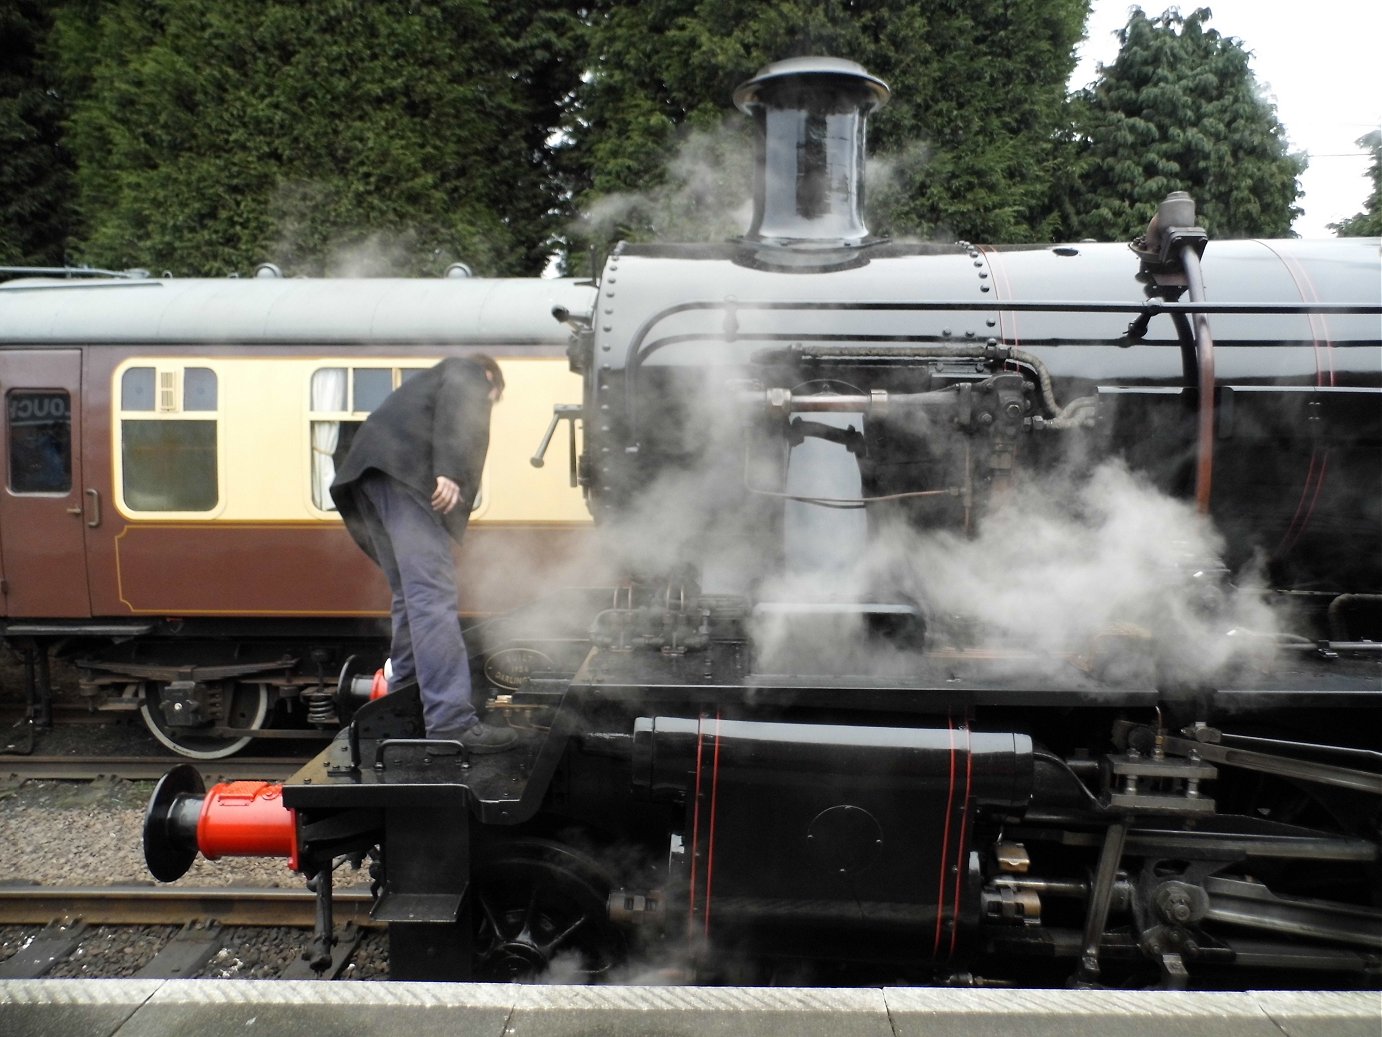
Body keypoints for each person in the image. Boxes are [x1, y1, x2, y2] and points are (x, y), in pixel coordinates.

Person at [330, 355, 517, 752]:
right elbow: (462, 402)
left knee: (411, 597)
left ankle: (403, 707)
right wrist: (450, 470)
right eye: (493, 398)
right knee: (432, 596)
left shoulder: (422, 389)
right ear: (490, 378)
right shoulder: (467, 370)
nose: (488, 405)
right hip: (404, 476)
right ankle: (451, 722)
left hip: (371, 480)